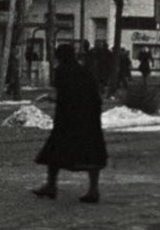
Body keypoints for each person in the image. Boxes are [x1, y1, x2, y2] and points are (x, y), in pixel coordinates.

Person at [32, 43, 108, 204]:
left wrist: (50, 98)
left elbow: (65, 95)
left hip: (69, 118)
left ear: (60, 57)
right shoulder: (85, 70)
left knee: (55, 150)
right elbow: (94, 94)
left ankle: (51, 185)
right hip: (89, 117)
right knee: (91, 153)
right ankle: (93, 190)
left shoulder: (62, 71)